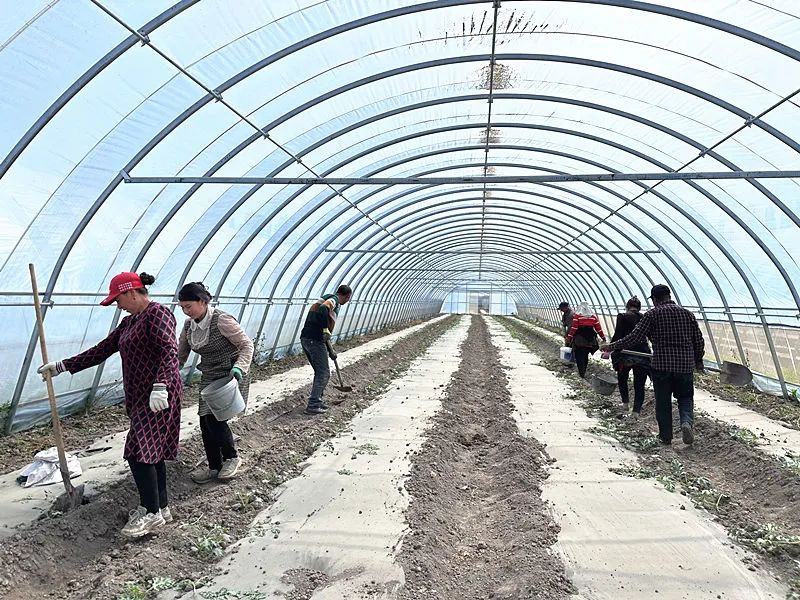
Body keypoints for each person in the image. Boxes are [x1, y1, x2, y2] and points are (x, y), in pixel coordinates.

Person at [38, 272, 182, 538]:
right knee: (152, 453)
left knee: (137, 452)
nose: (118, 306)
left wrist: (161, 385)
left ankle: (150, 513)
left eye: (118, 299)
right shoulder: (129, 323)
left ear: (131, 292)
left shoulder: (158, 314)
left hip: (158, 396)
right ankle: (161, 508)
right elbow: (101, 350)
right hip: (139, 398)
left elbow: (168, 351)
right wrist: (62, 366)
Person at [601, 284, 705, 445]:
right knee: (685, 397)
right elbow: (698, 341)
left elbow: (634, 337)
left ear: (655, 299)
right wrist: (698, 361)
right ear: (669, 296)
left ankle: (665, 436)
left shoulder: (652, 315)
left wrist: (612, 346)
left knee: (663, 401)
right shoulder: (687, 314)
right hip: (685, 366)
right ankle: (686, 422)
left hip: (662, 365)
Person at [177, 282, 254, 484]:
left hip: (231, 372)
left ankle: (232, 458)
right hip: (210, 374)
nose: (186, 311)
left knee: (215, 420)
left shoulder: (222, 320)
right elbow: (180, 355)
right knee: (205, 421)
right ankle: (214, 467)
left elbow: (246, 345)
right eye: (182, 307)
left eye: (189, 306)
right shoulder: (189, 326)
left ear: (203, 302)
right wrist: (167, 373)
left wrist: (239, 368)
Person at [299, 284, 352, 415]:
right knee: (323, 373)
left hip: (307, 338)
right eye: (348, 298)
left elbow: (325, 334)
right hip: (314, 339)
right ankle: (313, 404)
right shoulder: (333, 300)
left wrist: (330, 351)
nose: (348, 301)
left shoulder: (327, 297)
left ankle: (318, 400)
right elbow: (324, 308)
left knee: (320, 371)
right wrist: (324, 329)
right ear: (346, 296)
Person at [610, 296, 650, 418]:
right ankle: (636, 412)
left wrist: (610, 347)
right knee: (639, 384)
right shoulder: (644, 317)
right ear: (639, 307)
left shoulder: (622, 316)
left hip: (625, 354)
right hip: (642, 354)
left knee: (622, 379)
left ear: (627, 306)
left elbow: (618, 334)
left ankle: (625, 404)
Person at [565, 302, 607, 378]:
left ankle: (581, 372)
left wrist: (569, 338)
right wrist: (603, 338)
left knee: (578, 355)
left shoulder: (577, 316)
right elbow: (598, 329)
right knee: (585, 355)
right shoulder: (593, 317)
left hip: (579, 339)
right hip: (589, 340)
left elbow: (573, 329)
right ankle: (583, 370)